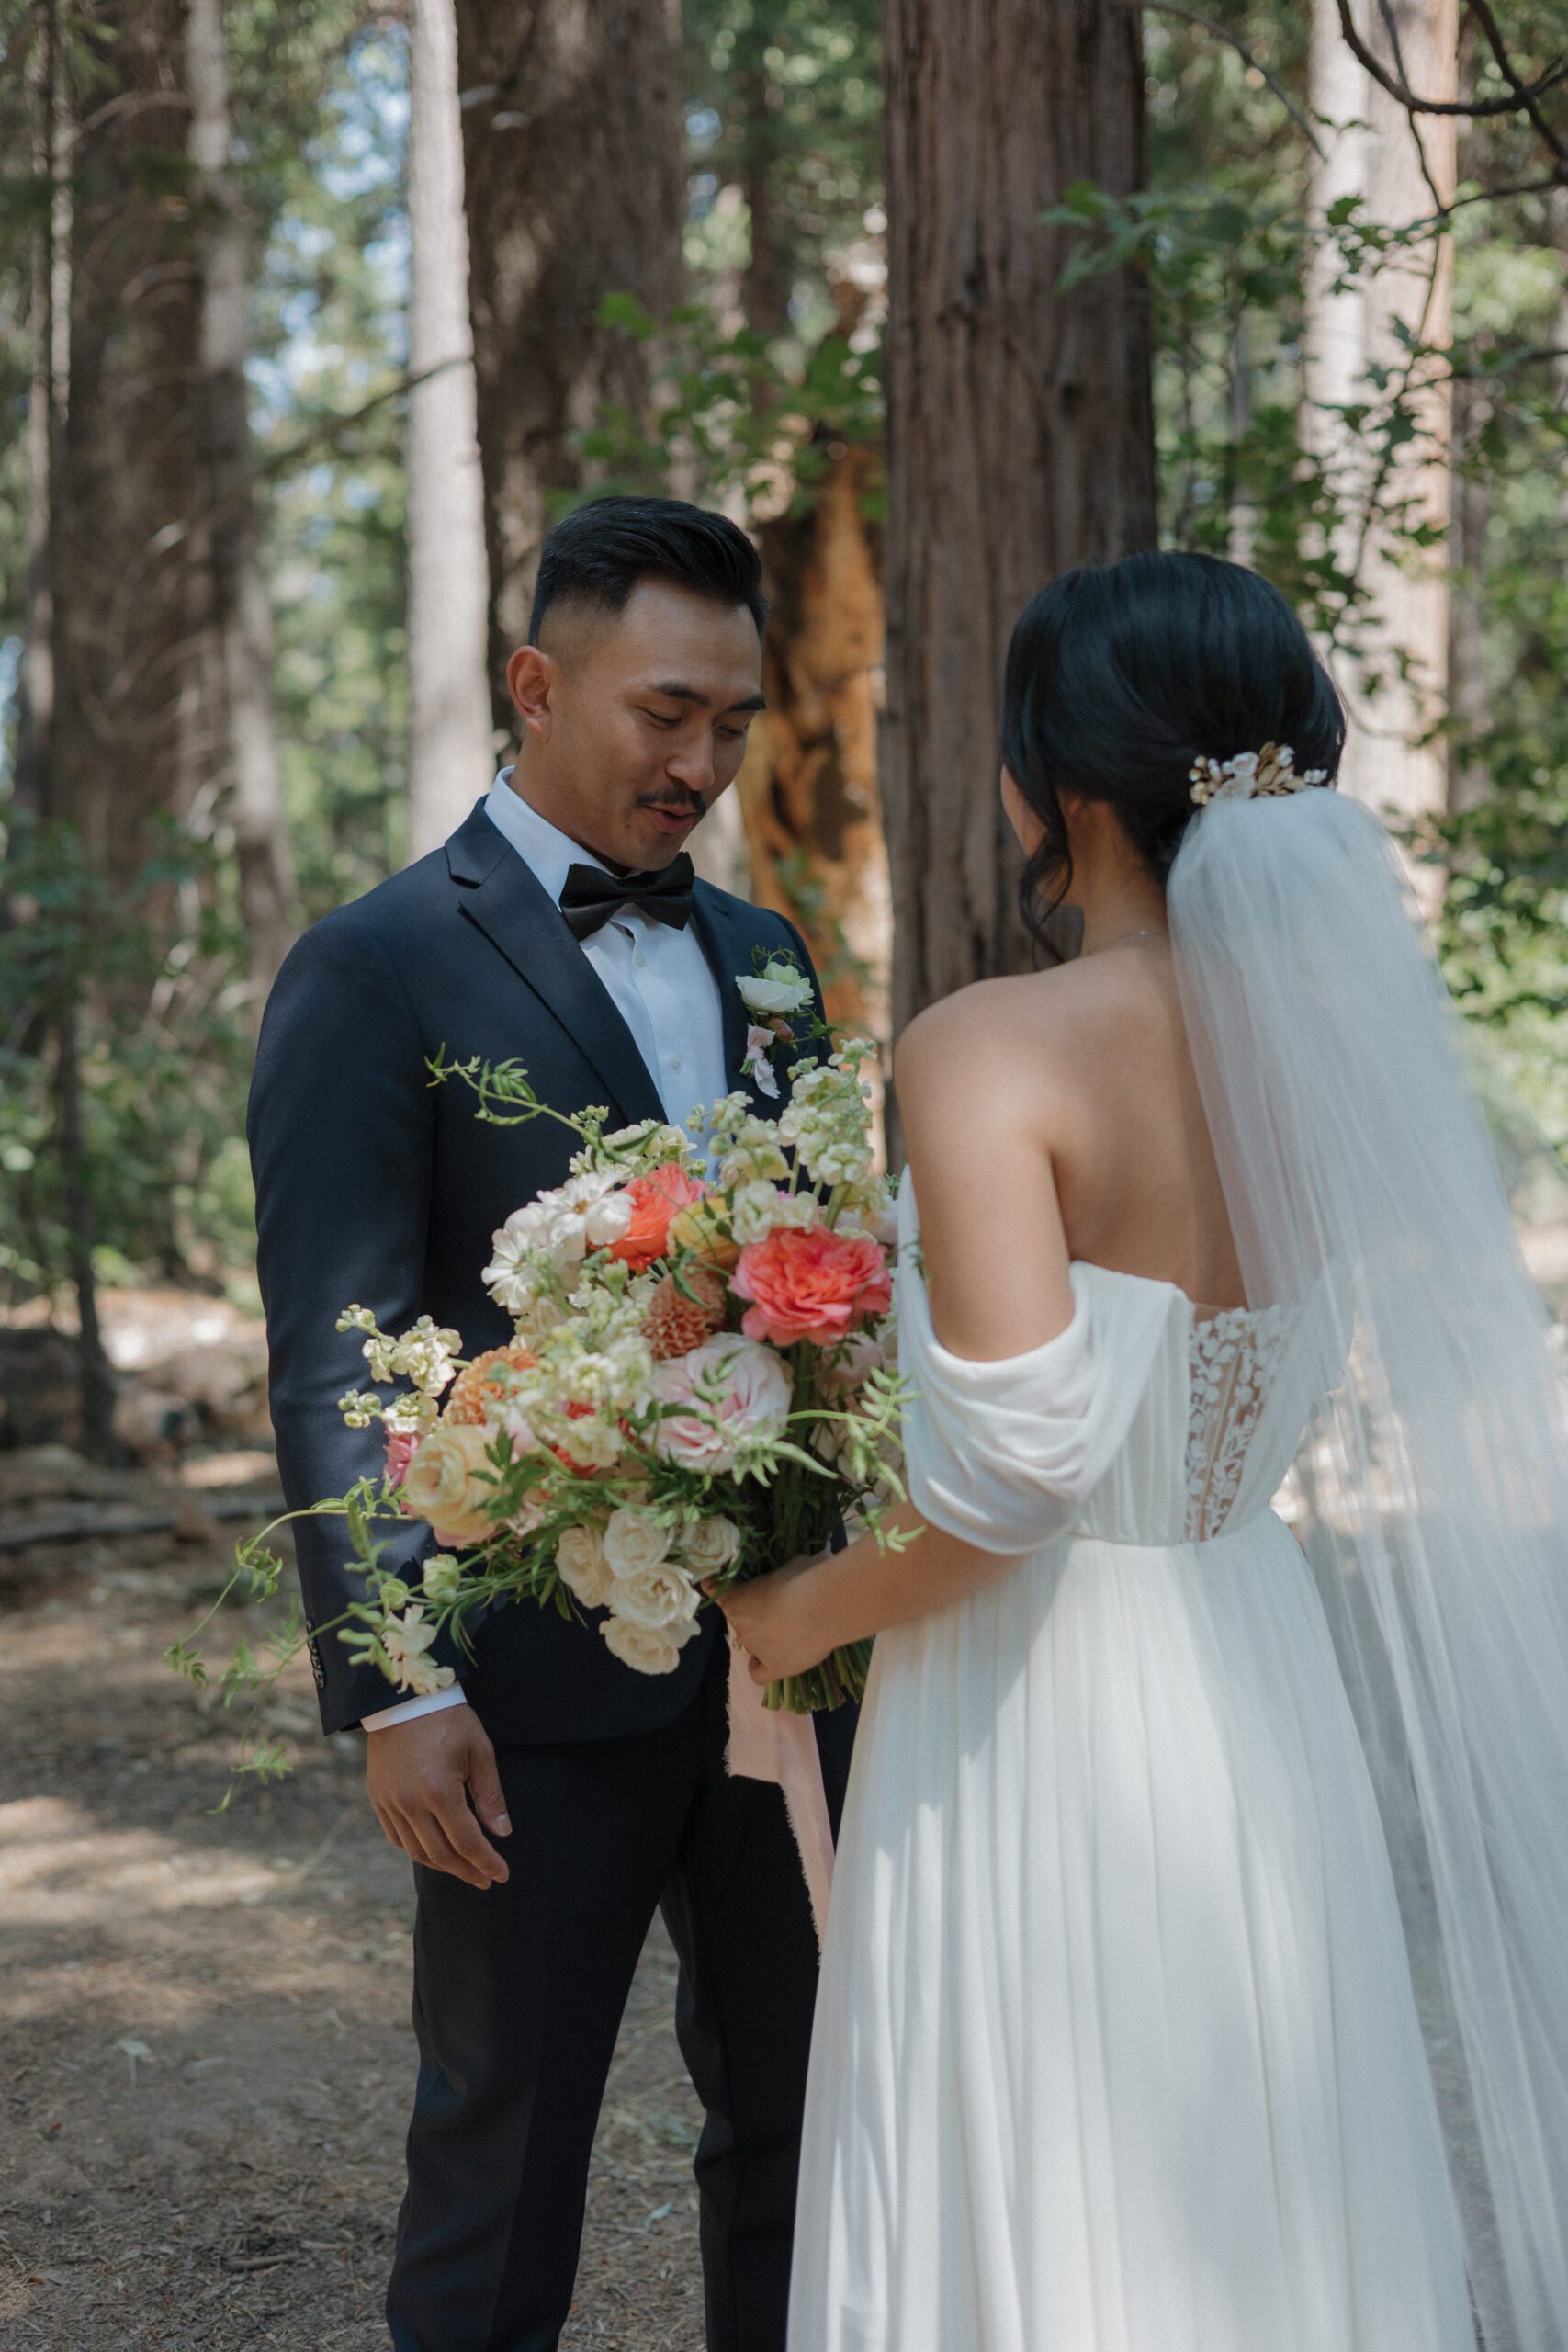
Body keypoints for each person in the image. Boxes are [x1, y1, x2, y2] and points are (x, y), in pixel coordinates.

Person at [719, 551, 1568, 2351]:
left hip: (1040, 1699)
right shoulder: (1320, 1058)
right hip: (1249, 1664)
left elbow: (1012, 1477)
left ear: (1061, 784)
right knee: (1256, 2168)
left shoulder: (984, 1049)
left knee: (1040, 2148)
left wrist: (803, 1606)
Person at [249, 495, 856, 2352]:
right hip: (523, 1681)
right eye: (661, 714)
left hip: (781, 1658)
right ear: (536, 679)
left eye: (732, 725)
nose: (699, 763)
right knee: (502, 2147)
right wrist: (395, 1683)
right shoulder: (375, 965)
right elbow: (336, 1348)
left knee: (802, 2122)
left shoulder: (767, 954)